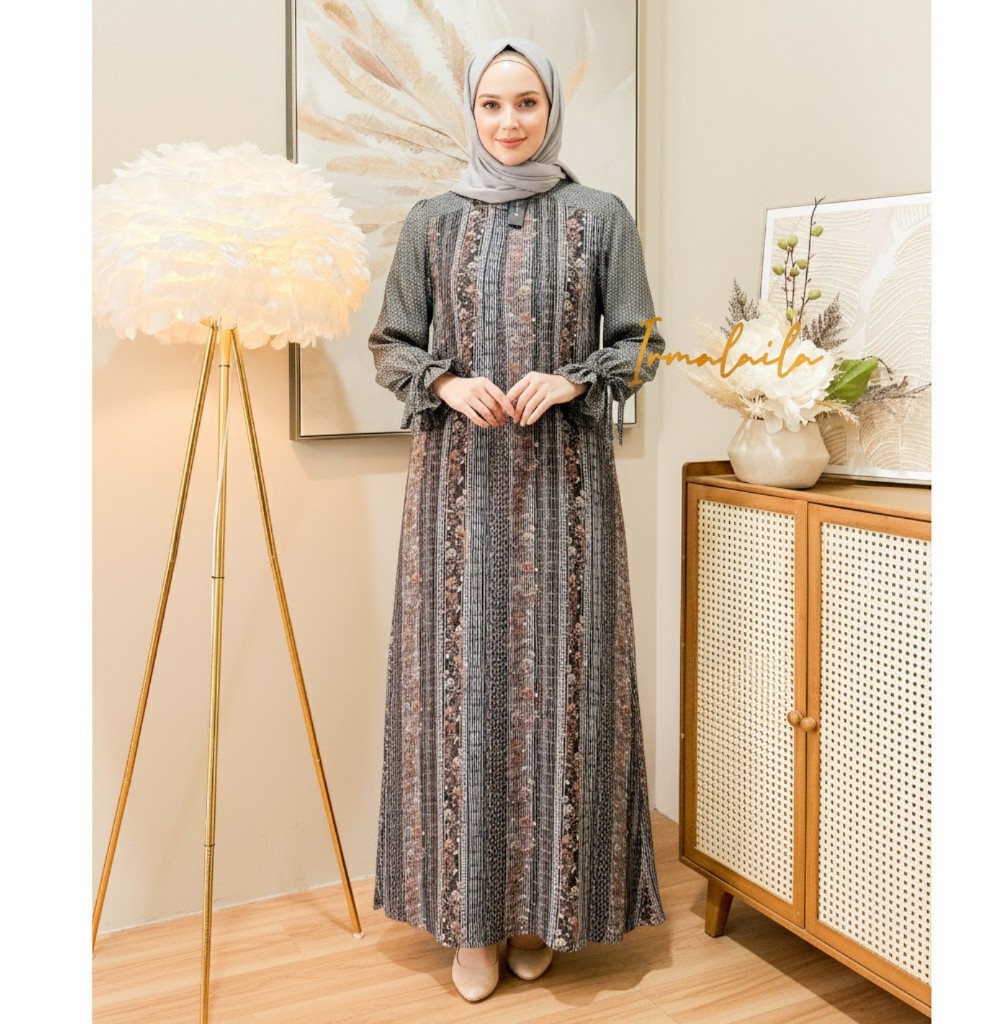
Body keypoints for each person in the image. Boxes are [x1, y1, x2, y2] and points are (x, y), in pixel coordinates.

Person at [369, 36, 666, 1003]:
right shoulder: (431, 221)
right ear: (472, 110)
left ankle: (548, 913)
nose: (508, 122)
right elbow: (391, 342)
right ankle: (471, 924)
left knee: (565, 696)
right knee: (460, 703)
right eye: (492, 105)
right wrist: (446, 382)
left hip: (568, 492)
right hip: (456, 497)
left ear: (551, 110)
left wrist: (574, 378)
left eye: (526, 102)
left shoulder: (600, 216)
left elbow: (643, 343)